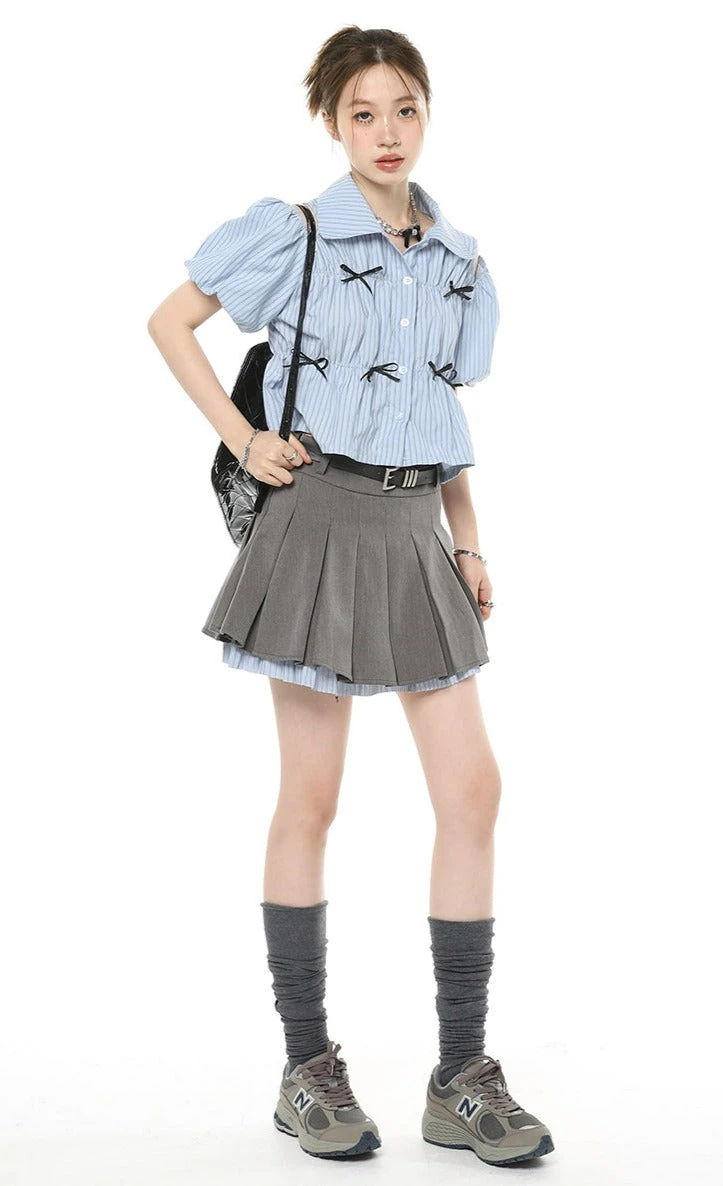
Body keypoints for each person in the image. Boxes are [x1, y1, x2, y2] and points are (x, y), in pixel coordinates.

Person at [148, 24, 554, 1167]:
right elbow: (171, 322)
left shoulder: (458, 259)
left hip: (417, 528)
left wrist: (468, 540)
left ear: (428, 115)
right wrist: (245, 438)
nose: (388, 132)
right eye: (365, 112)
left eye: (406, 108)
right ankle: (306, 1067)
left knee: (472, 788)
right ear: (330, 119)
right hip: (318, 518)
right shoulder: (299, 232)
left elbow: (437, 411)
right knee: (312, 798)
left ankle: (460, 1074)